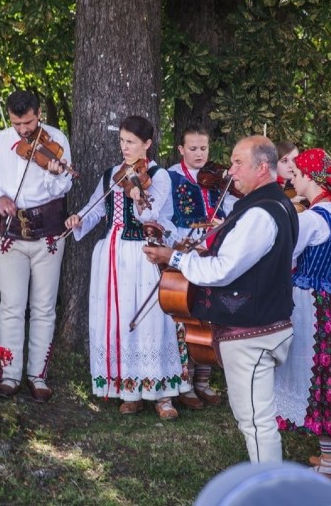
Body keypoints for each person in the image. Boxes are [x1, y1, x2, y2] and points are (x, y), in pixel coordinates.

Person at [143, 135, 299, 463]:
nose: (230, 170)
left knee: (256, 422)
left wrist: (174, 257)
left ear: (262, 167)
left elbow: (221, 271)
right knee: (256, 420)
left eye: (238, 163)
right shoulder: (274, 204)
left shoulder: (261, 213)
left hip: (254, 332)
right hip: (264, 325)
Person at [64, 115, 184, 420]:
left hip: (142, 253)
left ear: (147, 144)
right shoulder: (110, 175)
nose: (124, 147)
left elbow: (153, 215)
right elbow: (93, 210)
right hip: (111, 254)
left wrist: (137, 195)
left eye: (130, 142)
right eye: (122, 141)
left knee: (151, 319)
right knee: (118, 320)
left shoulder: (158, 176)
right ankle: (128, 389)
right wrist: (78, 218)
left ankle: (162, 393)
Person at [273, 148, 331, 482]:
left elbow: (285, 256)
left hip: (310, 302)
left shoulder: (312, 219)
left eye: (296, 174)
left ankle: (329, 465)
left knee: (318, 377)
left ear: (311, 178)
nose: (292, 179)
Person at [0, 90, 72, 402]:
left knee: (43, 307)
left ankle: (37, 376)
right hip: (13, 234)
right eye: (17, 124)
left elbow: (63, 186)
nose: (24, 130)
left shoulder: (57, 139)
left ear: (38, 113)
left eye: (28, 122)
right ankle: (10, 374)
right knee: (12, 306)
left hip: (49, 233)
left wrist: (54, 173)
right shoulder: (0, 142)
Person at [167, 125, 236, 408]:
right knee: (187, 314)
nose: (198, 154)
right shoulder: (170, 177)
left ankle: (203, 380)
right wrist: (181, 240)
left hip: (214, 250)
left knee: (211, 314)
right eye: (192, 149)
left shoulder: (218, 179)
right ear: (181, 149)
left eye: (203, 149)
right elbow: (164, 216)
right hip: (186, 249)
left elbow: (231, 208)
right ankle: (185, 382)